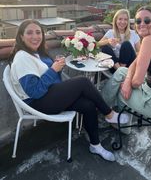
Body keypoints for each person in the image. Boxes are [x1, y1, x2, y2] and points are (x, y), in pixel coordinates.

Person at [8, 19, 129, 162]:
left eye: (38, 32)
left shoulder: (36, 53)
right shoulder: (22, 57)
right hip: (38, 102)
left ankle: (95, 145)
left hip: (49, 94)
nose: (35, 36)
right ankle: (109, 114)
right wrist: (53, 70)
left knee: (88, 105)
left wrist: (56, 68)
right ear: (21, 36)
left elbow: (47, 77)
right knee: (83, 82)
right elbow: (34, 92)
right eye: (29, 33)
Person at [101, 6, 151, 120]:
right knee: (122, 71)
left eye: (147, 20)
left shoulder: (149, 40)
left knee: (120, 89)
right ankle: (103, 103)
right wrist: (128, 80)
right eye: (138, 21)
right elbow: (134, 63)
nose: (142, 24)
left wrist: (127, 84)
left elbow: (137, 82)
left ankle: (119, 123)